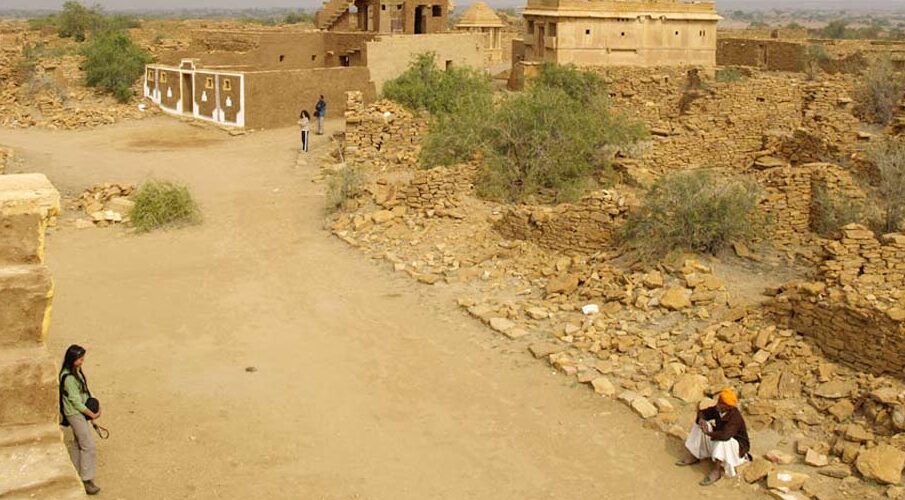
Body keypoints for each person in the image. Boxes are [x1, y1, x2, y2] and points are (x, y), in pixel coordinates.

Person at [676, 387, 751, 486]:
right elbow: (703, 412)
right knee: (700, 425)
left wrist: (708, 433)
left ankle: (716, 471)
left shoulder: (735, 417)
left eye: (721, 403)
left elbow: (725, 435)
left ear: (728, 407)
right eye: (719, 401)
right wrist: (702, 421)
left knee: (724, 441)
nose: (718, 404)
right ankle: (695, 455)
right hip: (720, 436)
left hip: (736, 449)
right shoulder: (718, 409)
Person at [60, 344, 101, 495]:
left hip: (78, 412)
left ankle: (74, 473)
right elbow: (76, 402)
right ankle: (86, 480)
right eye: (80, 358)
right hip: (75, 414)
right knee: (88, 446)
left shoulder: (73, 372)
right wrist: (92, 414)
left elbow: (84, 391)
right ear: (73, 359)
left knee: (79, 443)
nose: (82, 360)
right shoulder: (69, 378)